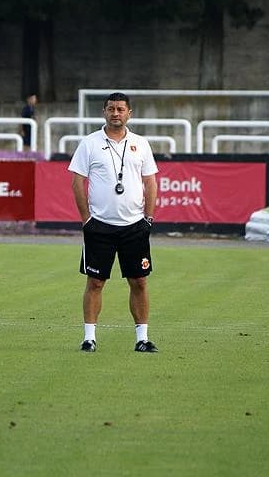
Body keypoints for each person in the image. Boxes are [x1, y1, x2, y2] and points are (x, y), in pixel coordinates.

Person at [68, 92, 159, 353]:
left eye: (120, 109)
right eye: (111, 109)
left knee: (139, 281)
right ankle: (89, 338)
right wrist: (86, 219)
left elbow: (150, 182)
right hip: (99, 226)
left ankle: (142, 338)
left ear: (129, 113)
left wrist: (148, 219)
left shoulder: (140, 143)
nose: (115, 113)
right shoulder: (90, 143)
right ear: (104, 112)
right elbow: (77, 181)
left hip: (134, 226)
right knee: (95, 283)